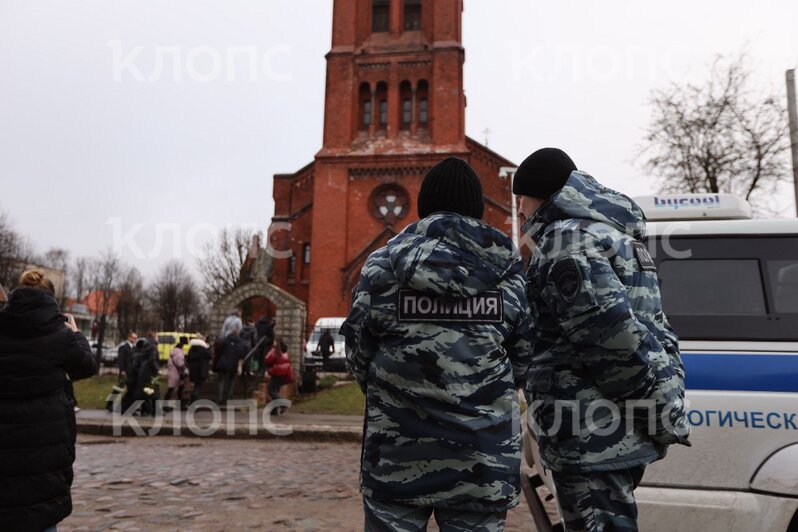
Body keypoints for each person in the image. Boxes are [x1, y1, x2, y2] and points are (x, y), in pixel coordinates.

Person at [341, 157, 532, 531]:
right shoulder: (508, 274)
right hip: (483, 464)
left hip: (397, 459)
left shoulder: (381, 269)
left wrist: (394, 394)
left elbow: (358, 355)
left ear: (424, 205)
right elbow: (524, 361)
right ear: (478, 209)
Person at [514, 148, 690, 532]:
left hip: (591, 436)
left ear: (538, 195)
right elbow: (657, 328)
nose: (521, 212)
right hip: (612, 431)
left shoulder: (566, 242)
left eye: (521, 200)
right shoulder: (616, 235)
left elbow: (612, 342)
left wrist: (657, 413)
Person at [0, 269, 97, 531]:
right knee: (40, 511)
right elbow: (86, 367)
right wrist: (76, 333)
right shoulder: (62, 335)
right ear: (51, 297)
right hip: (46, 439)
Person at [132, 332, 160, 416]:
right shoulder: (153, 347)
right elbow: (152, 359)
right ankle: (155, 411)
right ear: (154, 337)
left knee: (145, 392)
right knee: (154, 392)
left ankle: (147, 410)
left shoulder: (146, 346)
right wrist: (157, 369)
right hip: (150, 371)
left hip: (144, 371)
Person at [215, 327, 245, 404]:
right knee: (231, 381)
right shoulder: (240, 342)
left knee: (221, 381)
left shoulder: (225, 340)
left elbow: (219, 350)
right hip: (233, 363)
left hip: (223, 363)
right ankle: (229, 396)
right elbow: (241, 354)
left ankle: (219, 398)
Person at [265, 340, 292, 413]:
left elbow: (267, 359)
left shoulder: (275, 351)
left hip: (276, 372)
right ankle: (274, 410)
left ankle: (283, 404)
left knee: (271, 390)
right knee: (276, 391)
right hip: (283, 373)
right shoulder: (285, 352)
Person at [186, 334, 212, 404]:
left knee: (195, 386)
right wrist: (207, 346)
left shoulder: (191, 349)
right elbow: (210, 356)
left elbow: (188, 359)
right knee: (198, 387)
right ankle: (194, 402)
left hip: (192, 371)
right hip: (201, 370)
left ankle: (191, 400)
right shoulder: (203, 349)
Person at [118, 332, 137, 411]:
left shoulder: (134, 348)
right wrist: (122, 370)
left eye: (136, 338)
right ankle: (122, 407)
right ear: (129, 337)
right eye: (134, 338)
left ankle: (124, 407)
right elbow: (121, 359)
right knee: (129, 390)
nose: (135, 340)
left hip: (132, 373)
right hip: (126, 372)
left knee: (130, 391)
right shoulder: (124, 347)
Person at [165, 339, 187, 406]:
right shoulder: (179, 354)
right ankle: (178, 404)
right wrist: (185, 370)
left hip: (172, 372)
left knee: (173, 388)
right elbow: (181, 364)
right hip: (177, 374)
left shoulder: (172, 354)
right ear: (181, 347)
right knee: (173, 389)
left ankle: (166, 404)